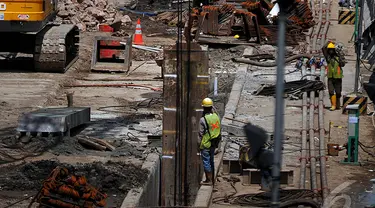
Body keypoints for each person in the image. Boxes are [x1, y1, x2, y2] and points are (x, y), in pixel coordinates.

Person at [198, 98, 221, 186]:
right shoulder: (216, 117)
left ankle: (209, 180)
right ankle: (212, 179)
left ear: (203, 108)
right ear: (211, 107)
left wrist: (199, 144)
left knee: (206, 161)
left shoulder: (203, 120)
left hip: (206, 143)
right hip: (214, 143)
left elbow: (201, 134)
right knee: (211, 160)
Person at [325, 42, 346, 111]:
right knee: (331, 91)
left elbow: (343, 64)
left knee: (338, 92)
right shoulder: (327, 57)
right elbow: (323, 48)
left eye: (332, 50)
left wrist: (339, 55)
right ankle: (333, 105)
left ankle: (337, 104)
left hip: (338, 77)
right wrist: (330, 42)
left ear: (334, 50)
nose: (330, 51)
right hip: (330, 77)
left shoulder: (338, 57)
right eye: (329, 50)